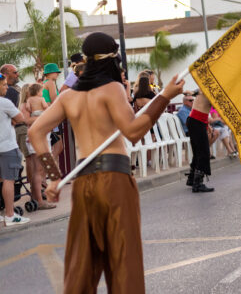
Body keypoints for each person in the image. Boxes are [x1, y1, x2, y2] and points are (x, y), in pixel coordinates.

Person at [28, 32, 184, 293]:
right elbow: (133, 132)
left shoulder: (68, 96)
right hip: (115, 181)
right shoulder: (112, 89)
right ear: (112, 59)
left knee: (81, 268)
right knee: (124, 264)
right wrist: (164, 96)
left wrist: (55, 177)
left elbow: (35, 132)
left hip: (83, 183)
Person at [0, 72, 29, 226]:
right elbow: (21, 118)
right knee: (9, 180)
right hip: (6, 147)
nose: (6, 88)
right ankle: (10, 215)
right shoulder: (4, 103)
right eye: (4, 85)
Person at [20, 83, 56, 210]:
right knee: (37, 169)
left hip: (41, 135)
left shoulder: (33, 103)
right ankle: (39, 201)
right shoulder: (25, 105)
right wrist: (43, 116)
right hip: (36, 137)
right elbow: (26, 120)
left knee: (41, 169)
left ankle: (37, 197)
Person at [185, 92, 215, 193]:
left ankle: (191, 179)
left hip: (196, 120)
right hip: (197, 121)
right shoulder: (209, 89)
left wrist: (207, 125)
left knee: (198, 152)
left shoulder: (205, 88)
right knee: (204, 153)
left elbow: (204, 108)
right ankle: (198, 184)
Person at [42, 63, 63, 161]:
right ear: (50, 73)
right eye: (56, 72)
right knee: (58, 147)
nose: (58, 74)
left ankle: (51, 170)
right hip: (52, 116)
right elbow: (55, 100)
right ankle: (49, 168)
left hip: (46, 115)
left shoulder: (44, 83)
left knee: (54, 146)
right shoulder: (50, 83)